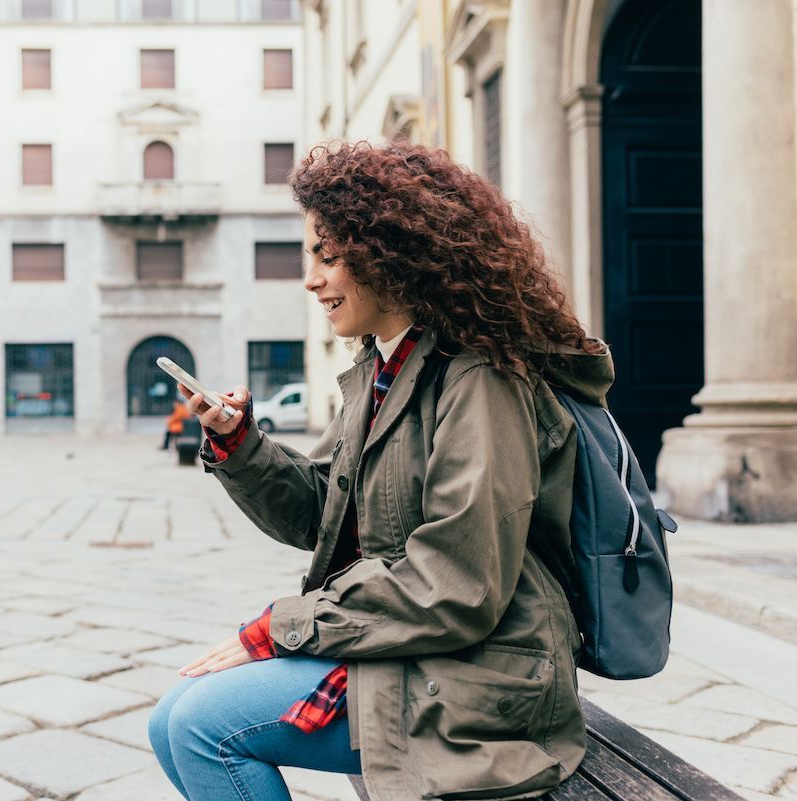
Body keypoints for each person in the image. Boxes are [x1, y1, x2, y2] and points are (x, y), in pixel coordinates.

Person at [148, 140, 612, 801]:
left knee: (201, 726)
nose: (311, 279)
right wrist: (240, 443)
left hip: (483, 680)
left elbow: (457, 582)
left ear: (391, 256)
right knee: (170, 717)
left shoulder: (478, 378)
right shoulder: (383, 369)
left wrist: (279, 628)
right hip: (415, 649)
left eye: (329, 257)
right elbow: (323, 513)